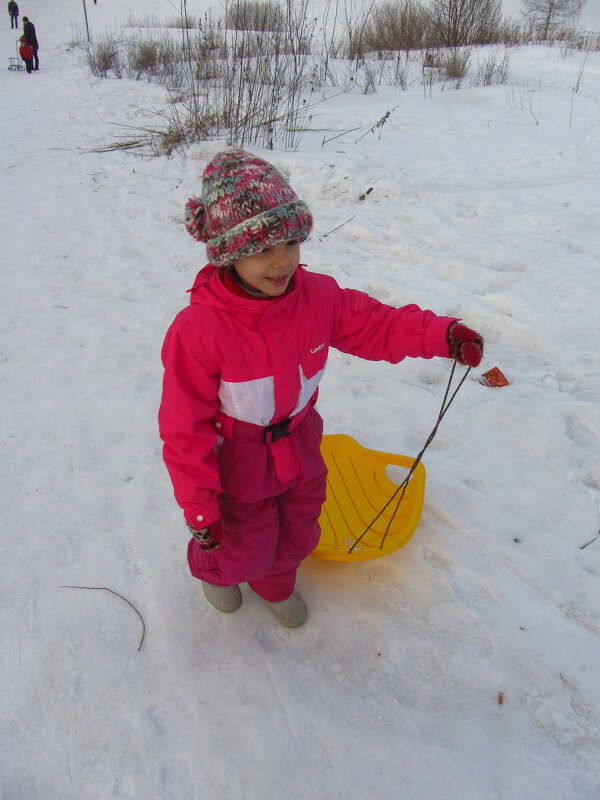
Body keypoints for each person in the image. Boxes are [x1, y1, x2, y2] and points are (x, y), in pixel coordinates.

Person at [158, 150, 484, 628]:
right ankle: (219, 570)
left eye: (291, 242)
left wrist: (441, 335)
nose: (282, 260)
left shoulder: (317, 298)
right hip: (238, 463)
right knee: (243, 542)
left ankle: (275, 583)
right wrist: (200, 508)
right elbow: (184, 428)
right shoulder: (200, 330)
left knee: (298, 530)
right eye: (262, 249)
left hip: (299, 444)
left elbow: (378, 326)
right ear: (229, 252)